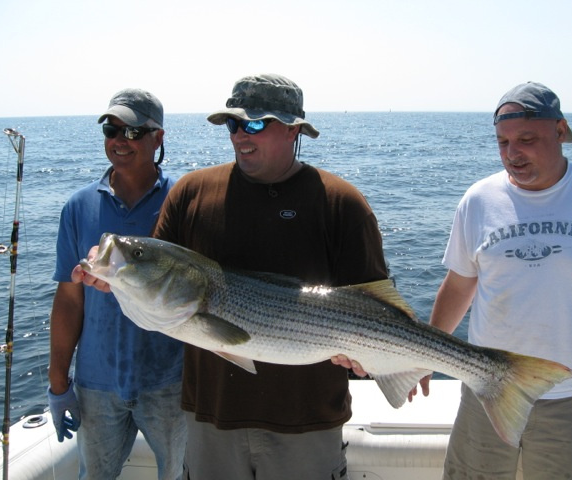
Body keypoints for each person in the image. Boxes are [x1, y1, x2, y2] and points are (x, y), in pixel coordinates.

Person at [77, 73, 388, 479]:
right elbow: (157, 280)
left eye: (256, 123)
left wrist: (378, 359)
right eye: (233, 123)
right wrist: (115, 279)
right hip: (212, 418)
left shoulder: (339, 201)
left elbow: (376, 304)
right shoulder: (191, 192)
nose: (241, 134)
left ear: (294, 129)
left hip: (307, 421)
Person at [422, 82, 572, 479]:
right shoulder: (479, 199)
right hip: (486, 388)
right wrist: (425, 356)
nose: (512, 153)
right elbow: (458, 285)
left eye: (526, 139)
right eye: (502, 142)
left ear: (559, 131)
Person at [48, 88, 186, 480]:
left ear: (158, 137)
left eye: (133, 132)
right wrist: (59, 383)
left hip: (170, 382)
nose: (119, 141)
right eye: (111, 130)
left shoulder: (183, 200)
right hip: (96, 384)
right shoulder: (78, 206)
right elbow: (70, 300)